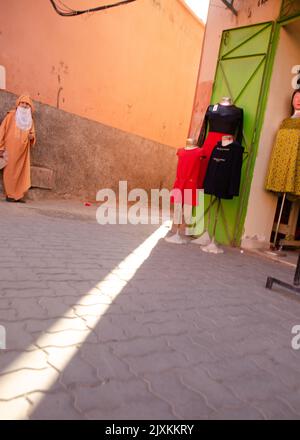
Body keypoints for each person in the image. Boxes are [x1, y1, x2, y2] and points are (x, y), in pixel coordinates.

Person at [0, 94, 36, 203]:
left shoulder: (30, 120)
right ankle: (10, 195)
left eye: (27, 104)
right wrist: (0, 147)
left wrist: (32, 136)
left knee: (21, 172)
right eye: (22, 103)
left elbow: (32, 133)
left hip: (23, 152)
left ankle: (18, 195)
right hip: (10, 149)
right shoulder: (11, 116)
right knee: (9, 171)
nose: (24, 105)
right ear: (18, 104)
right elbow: (2, 131)